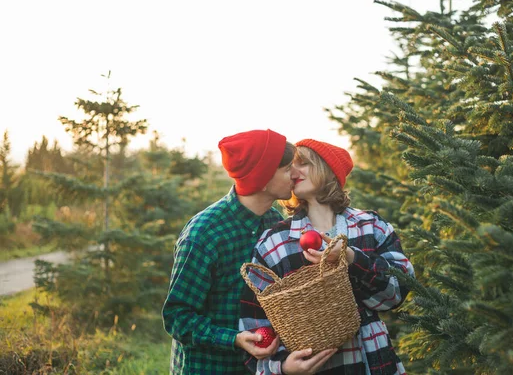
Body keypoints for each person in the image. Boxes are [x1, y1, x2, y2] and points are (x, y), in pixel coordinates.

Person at [240, 139, 415, 375]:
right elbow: (255, 325)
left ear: (328, 170)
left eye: (304, 163)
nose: (293, 171)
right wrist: (282, 367)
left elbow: (397, 292)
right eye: (291, 165)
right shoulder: (274, 242)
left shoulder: (371, 226)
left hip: (374, 362)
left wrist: (352, 259)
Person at [162, 129, 299, 375]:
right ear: (264, 177)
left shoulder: (273, 222)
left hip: (258, 367)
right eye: (288, 168)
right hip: (208, 368)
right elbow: (177, 317)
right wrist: (233, 338)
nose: (296, 174)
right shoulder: (205, 234)